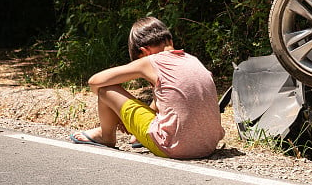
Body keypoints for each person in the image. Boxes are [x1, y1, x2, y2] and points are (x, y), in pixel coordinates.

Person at [69, 17, 225, 159]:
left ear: (144, 51)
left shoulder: (151, 61)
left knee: (106, 89)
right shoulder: (193, 60)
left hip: (175, 147)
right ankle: (141, 136)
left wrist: (118, 114)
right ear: (170, 41)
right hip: (208, 145)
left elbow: (94, 82)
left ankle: (106, 135)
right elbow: (170, 99)